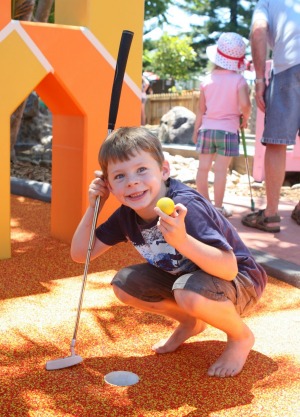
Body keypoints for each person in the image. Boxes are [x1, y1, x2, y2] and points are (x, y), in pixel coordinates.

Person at [71, 126, 267, 378]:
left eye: (142, 169)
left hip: (241, 282)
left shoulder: (185, 206)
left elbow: (229, 268)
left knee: (187, 291)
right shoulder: (126, 216)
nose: (132, 181)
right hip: (189, 282)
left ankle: (241, 337)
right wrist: (94, 206)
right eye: (119, 176)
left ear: (164, 170)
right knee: (125, 283)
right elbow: (80, 255)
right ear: (108, 184)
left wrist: (182, 240)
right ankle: (191, 322)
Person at [242, 0, 300, 232]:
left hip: (289, 68)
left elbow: (258, 31)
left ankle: (271, 215)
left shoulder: (268, 1)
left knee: (276, 143)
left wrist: (259, 80)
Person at [192, 32, 251, 218]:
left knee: (202, 168)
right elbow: (246, 105)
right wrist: (245, 118)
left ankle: (204, 206)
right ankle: (217, 208)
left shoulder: (206, 81)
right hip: (228, 131)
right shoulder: (239, 80)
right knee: (220, 171)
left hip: (207, 129)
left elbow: (201, 110)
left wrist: (196, 131)